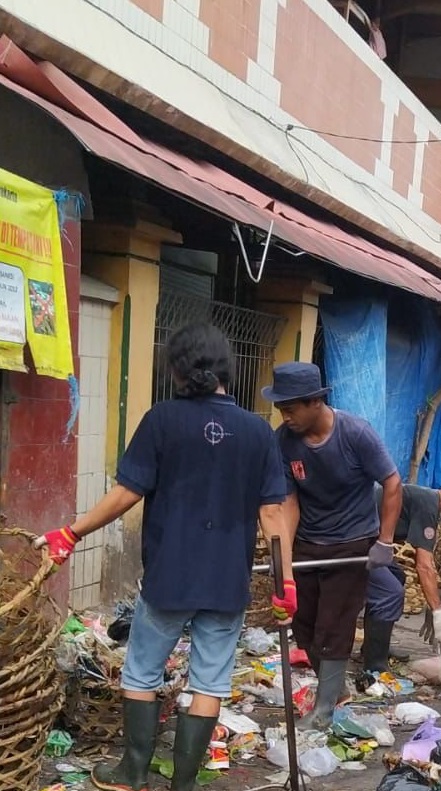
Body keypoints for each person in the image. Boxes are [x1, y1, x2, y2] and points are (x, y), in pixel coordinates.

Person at [34, 323, 296, 791]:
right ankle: (184, 784)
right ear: (225, 370)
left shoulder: (162, 420)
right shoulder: (259, 432)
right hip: (225, 580)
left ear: (177, 368)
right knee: (210, 681)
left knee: (142, 670)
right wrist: (285, 585)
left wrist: (70, 533)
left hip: (169, 575)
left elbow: (127, 493)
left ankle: (131, 772)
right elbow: (273, 514)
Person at [263, 362, 402, 730]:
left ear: (315, 402)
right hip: (310, 539)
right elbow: (288, 502)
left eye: (291, 408)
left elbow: (391, 482)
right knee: (305, 624)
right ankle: (335, 691)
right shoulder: (284, 440)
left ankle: (325, 710)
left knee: (334, 626)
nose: (286, 416)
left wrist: (385, 541)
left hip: (352, 542)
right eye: (281, 409)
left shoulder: (355, 433)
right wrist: (286, 561)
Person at [363, 471, 441, 672]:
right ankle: (374, 665)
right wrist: (439, 614)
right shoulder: (427, 504)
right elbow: (424, 565)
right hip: (352, 539)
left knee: (396, 576)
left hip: (368, 541)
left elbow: (422, 560)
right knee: (391, 592)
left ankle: (373, 648)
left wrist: (431, 603)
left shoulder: (427, 501)